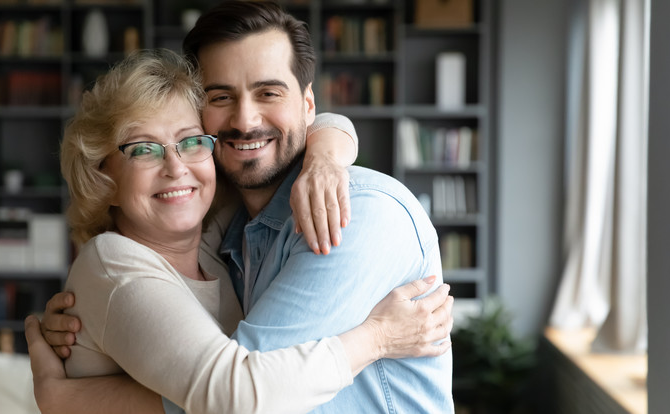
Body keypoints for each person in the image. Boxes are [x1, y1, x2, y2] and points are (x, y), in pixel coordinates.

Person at [30, 1, 455, 412]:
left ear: (308, 105)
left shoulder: (346, 212)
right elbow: (237, 396)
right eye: (220, 97)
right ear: (104, 177)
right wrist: (377, 337)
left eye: (268, 92)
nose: (245, 120)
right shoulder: (221, 232)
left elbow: (232, 396)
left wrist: (327, 151)